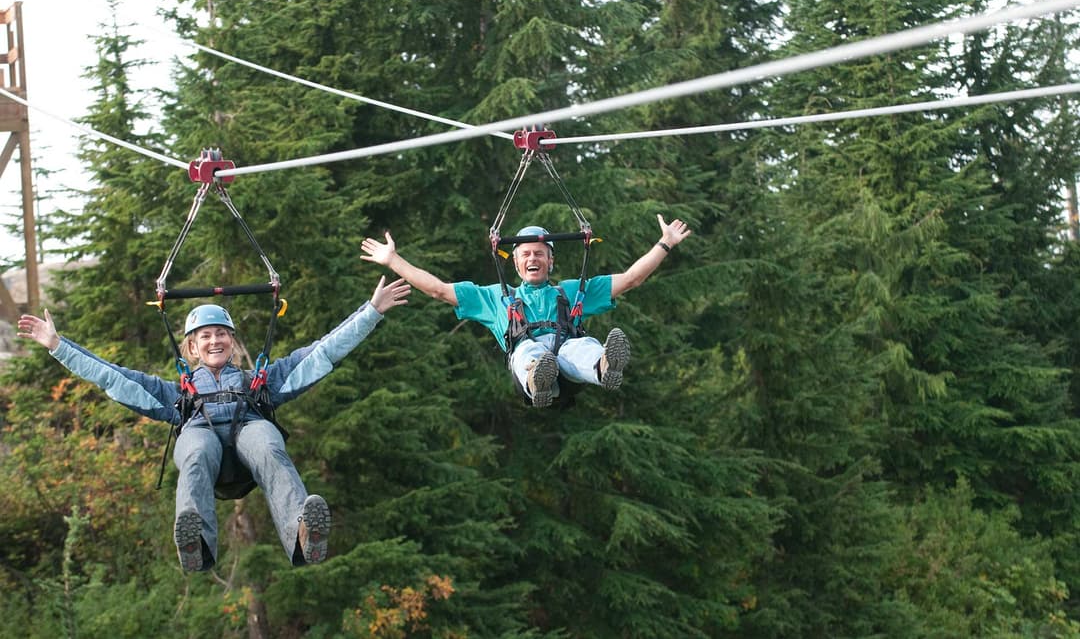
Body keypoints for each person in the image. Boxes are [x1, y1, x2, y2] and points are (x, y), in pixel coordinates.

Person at [16, 275, 411, 572]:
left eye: (221, 334)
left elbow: (323, 352)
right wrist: (58, 346)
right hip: (203, 446)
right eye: (205, 336)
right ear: (192, 347)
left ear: (233, 341)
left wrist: (371, 311)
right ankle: (197, 547)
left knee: (267, 441)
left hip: (248, 443)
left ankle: (304, 535)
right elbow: (112, 376)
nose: (215, 340)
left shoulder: (260, 384)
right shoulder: (178, 394)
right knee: (195, 448)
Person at [361, 214, 691, 406]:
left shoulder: (572, 291)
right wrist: (393, 260)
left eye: (539, 254)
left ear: (550, 260)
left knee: (578, 347)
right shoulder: (496, 298)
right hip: (527, 369)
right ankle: (539, 378)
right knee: (529, 351)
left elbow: (631, 279)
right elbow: (438, 290)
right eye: (526, 255)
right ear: (516, 263)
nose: (533, 259)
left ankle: (604, 367)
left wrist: (665, 244)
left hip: (568, 359)